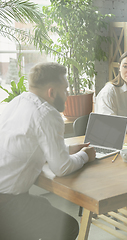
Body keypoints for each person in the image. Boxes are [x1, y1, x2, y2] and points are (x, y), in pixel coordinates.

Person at [0, 62, 96, 240]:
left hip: (6, 197)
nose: (67, 95)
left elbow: (28, 145)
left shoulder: (18, 102)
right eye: (65, 90)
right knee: (68, 227)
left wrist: (67, 149)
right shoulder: (47, 114)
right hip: (6, 205)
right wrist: (85, 156)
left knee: (42, 204)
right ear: (52, 92)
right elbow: (62, 168)